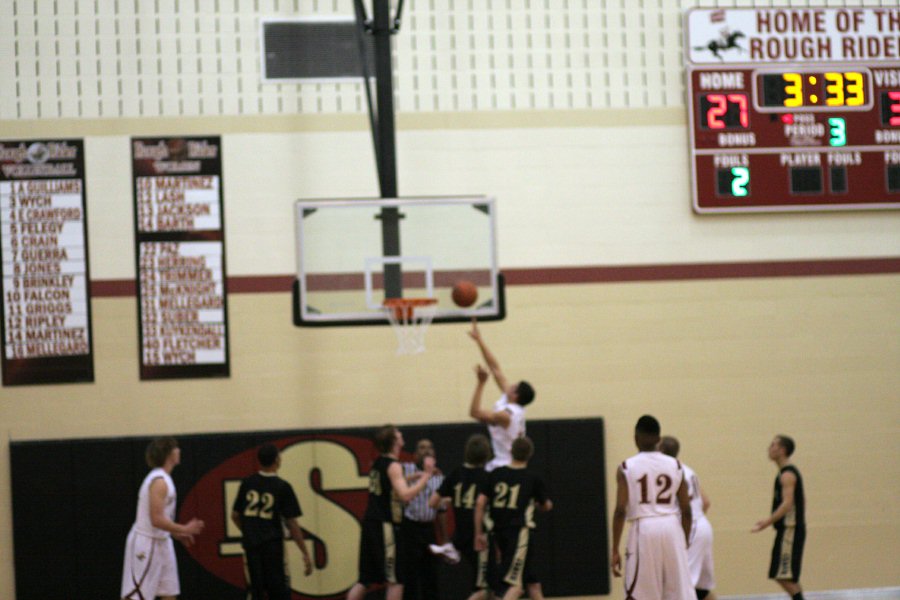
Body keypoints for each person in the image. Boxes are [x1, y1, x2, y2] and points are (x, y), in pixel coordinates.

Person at [347, 425, 436, 600]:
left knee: (364, 580)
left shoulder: (378, 463)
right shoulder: (394, 465)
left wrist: (411, 478)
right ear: (394, 441)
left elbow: (389, 485)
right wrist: (426, 475)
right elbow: (405, 495)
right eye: (398, 433)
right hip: (385, 525)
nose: (402, 434)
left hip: (370, 523)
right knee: (396, 580)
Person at [611, 415, 694, 600]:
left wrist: (614, 549)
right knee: (677, 594)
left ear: (635, 438)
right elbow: (687, 510)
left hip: (645, 529)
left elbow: (619, 511)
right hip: (672, 528)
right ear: (659, 439)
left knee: (638, 594)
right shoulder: (676, 465)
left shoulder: (626, 467)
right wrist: (684, 541)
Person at [121, 437, 205, 600]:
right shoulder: (159, 481)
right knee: (135, 596)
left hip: (163, 541)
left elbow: (163, 519)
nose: (179, 450)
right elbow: (156, 519)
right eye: (176, 448)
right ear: (169, 454)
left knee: (169, 594)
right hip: (146, 544)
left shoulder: (166, 478)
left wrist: (176, 534)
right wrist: (184, 528)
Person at [231, 443, 313, 599]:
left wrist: (250, 531)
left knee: (256, 592)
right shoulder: (282, 487)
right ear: (277, 460)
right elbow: (292, 524)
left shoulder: (247, 483)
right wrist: (305, 552)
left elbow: (235, 516)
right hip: (273, 547)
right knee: (279, 592)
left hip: (251, 547)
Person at [474, 436, 552, 600]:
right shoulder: (532, 478)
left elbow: (480, 504)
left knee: (533, 583)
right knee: (514, 586)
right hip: (520, 534)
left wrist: (478, 534)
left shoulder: (496, 474)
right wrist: (540, 504)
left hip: (498, 533)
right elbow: (546, 505)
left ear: (511, 451)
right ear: (530, 454)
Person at [428, 433, 493, 600]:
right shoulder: (487, 478)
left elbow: (432, 503)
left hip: (460, 534)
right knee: (485, 587)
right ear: (487, 454)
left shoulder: (455, 473)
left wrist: (453, 500)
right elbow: (484, 504)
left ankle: (449, 547)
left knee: (486, 586)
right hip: (480, 537)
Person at [467, 319, 535, 471]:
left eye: (514, 387)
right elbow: (495, 368)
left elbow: (475, 413)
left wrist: (480, 383)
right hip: (503, 464)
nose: (510, 385)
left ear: (516, 396)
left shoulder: (507, 416)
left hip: (505, 465)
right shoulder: (510, 401)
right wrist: (479, 340)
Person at [659, 436, 717, 600]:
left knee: (682, 587)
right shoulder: (688, 470)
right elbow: (706, 502)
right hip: (703, 526)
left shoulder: (668, 474)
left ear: (661, 451)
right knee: (702, 588)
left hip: (691, 528)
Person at [751, 435, 806, 600]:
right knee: (786, 576)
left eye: (773, 445)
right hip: (789, 529)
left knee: (782, 575)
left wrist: (766, 523)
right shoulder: (785, 473)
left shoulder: (787, 475)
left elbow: (787, 504)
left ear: (782, 450)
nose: (769, 448)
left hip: (790, 530)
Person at [398, 439, 447, 600]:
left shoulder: (439, 477)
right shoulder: (406, 469)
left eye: (430, 448)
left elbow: (441, 510)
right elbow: (395, 487)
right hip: (410, 527)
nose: (426, 450)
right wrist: (418, 476)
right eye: (422, 448)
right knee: (410, 576)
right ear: (415, 455)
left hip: (428, 528)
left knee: (431, 575)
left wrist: (444, 539)